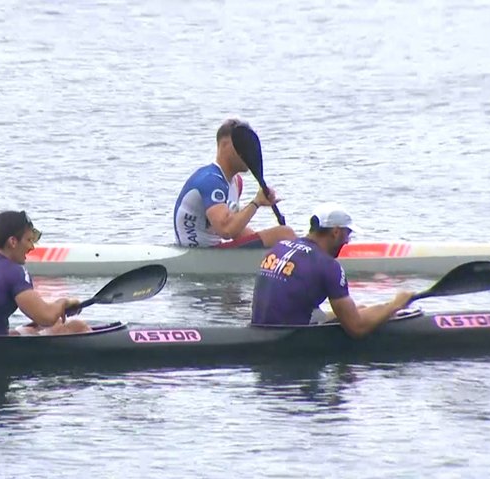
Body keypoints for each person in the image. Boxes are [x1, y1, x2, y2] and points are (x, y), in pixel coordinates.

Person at [250, 203, 414, 338]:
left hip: (261, 329)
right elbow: (356, 328)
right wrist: (395, 304)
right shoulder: (328, 266)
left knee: (360, 309)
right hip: (290, 340)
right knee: (358, 316)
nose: (348, 241)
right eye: (347, 234)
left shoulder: (279, 247)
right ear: (335, 232)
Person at [0, 210, 92, 336]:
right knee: (77, 327)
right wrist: (63, 302)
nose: (31, 247)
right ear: (13, 242)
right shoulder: (13, 271)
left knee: (39, 327)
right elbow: (46, 317)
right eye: (28, 240)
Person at [173, 118, 296, 249]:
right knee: (285, 233)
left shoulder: (236, 182)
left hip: (212, 252)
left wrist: (262, 242)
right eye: (242, 145)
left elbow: (237, 231)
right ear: (225, 145)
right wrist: (256, 203)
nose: (248, 152)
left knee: (280, 238)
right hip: (197, 254)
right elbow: (226, 230)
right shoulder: (211, 180)